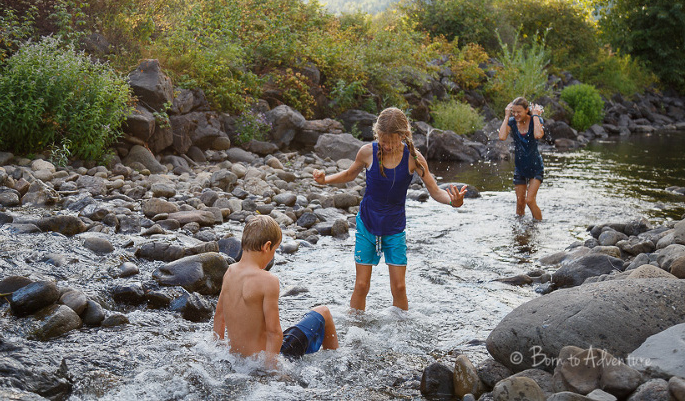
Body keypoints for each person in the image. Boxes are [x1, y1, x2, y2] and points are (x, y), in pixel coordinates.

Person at [312, 107, 466, 312]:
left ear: (403, 136)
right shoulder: (367, 152)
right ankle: (356, 330)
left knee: (399, 287)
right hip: (367, 224)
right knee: (361, 285)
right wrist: (325, 180)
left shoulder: (414, 158)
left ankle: (400, 332)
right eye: (383, 141)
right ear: (377, 134)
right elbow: (349, 174)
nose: (387, 146)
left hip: (394, 228)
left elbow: (436, 191)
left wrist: (452, 202)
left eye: (392, 142)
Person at [213, 215, 338, 367]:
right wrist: (272, 371)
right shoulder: (268, 280)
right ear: (267, 247)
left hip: (238, 361)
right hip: (265, 361)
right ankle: (335, 360)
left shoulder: (230, 272)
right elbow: (274, 332)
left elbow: (219, 316)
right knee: (323, 311)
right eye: (275, 250)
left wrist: (219, 352)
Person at [498, 97, 545, 220]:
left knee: (529, 200)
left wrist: (535, 116)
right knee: (520, 203)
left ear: (526, 110)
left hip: (535, 168)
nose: (516, 114)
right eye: (514, 111)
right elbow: (502, 136)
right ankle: (520, 234)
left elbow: (538, 135)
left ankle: (538, 228)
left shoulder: (536, 119)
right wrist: (507, 116)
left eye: (519, 112)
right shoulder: (512, 122)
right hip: (520, 167)